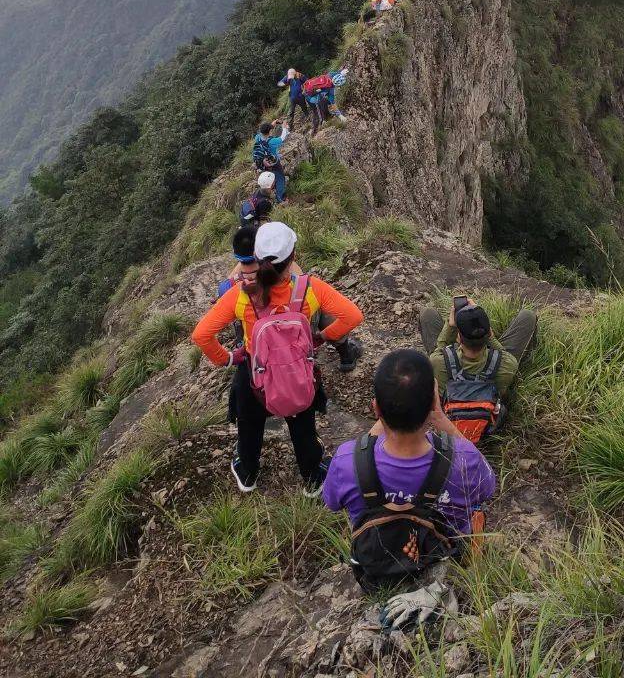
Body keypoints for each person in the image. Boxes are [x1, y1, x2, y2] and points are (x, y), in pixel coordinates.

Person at [192, 221, 365, 495]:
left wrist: (226, 358)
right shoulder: (310, 289)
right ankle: (312, 478)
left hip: (254, 372)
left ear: (256, 260)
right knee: (303, 426)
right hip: (296, 368)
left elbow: (201, 335)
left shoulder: (241, 296)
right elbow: (353, 316)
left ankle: (247, 474)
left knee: (249, 426)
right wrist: (319, 337)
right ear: (293, 257)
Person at [323, 348, 496, 593]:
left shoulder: (345, 461)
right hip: (446, 562)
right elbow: (488, 488)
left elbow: (331, 502)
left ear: (376, 408)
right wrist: (444, 422)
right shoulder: (465, 459)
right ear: (433, 404)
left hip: (377, 562)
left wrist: (383, 416)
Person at [419, 298, 537, 443]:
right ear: (488, 334)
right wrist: (489, 336)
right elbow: (504, 355)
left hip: (451, 417)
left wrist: (450, 327)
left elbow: (440, 348)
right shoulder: (508, 363)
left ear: (459, 338)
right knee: (528, 316)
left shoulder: (437, 361)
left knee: (428, 314)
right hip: (488, 418)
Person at [252, 120, 289, 201]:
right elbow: (282, 138)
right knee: (280, 178)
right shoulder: (272, 141)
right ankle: (281, 198)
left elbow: (264, 131)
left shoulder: (258, 137)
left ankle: (268, 192)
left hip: (263, 163)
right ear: (270, 131)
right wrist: (284, 127)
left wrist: (272, 125)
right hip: (273, 163)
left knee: (270, 176)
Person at [278, 68, 319, 133]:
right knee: (291, 112)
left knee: (304, 108)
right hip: (292, 98)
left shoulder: (300, 76)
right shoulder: (287, 77)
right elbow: (279, 83)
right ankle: (290, 128)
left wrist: (304, 89)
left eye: (292, 76)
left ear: (295, 73)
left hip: (301, 97)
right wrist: (282, 83)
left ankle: (309, 119)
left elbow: (308, 82)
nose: (291, 78)